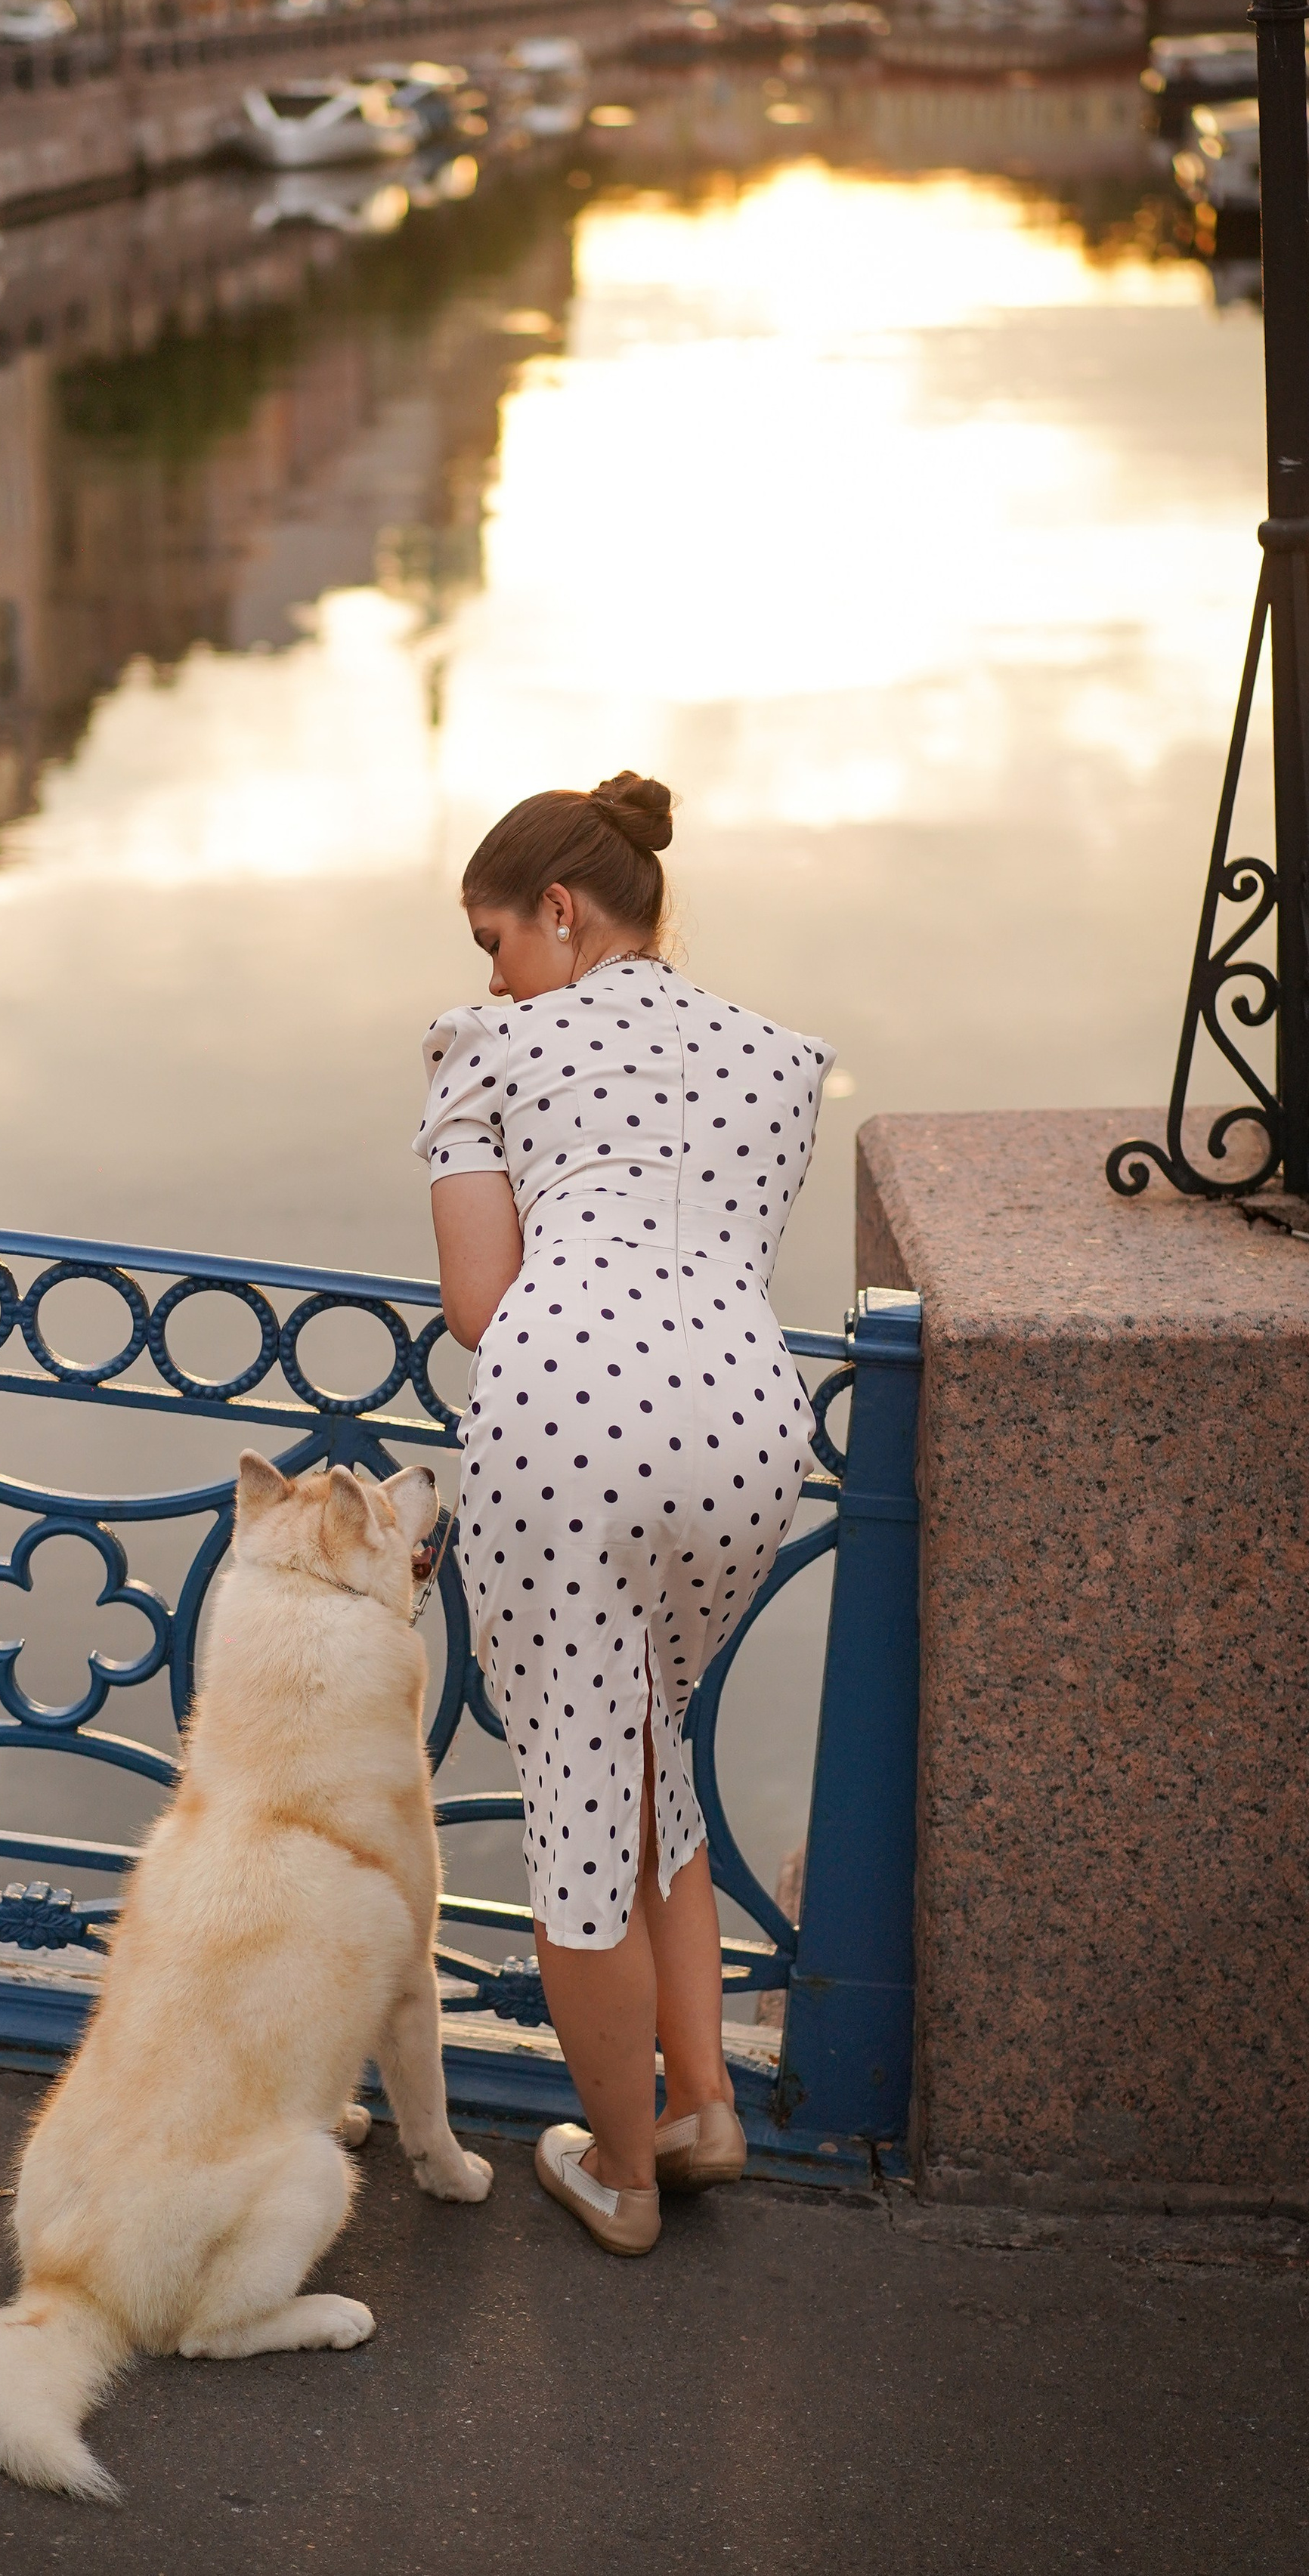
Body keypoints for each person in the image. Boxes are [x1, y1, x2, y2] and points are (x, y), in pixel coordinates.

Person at [413, 773, 833, 2256]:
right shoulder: (778, 1057)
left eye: (494, 939)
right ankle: (701, 2103)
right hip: (748, 1425)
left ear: (560, 909)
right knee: (652, 1751)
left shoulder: (487, 1046)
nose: (488, 976)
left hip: (570, 1429)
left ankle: (621, 2172)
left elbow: (480, 1305)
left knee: (577, 1805)